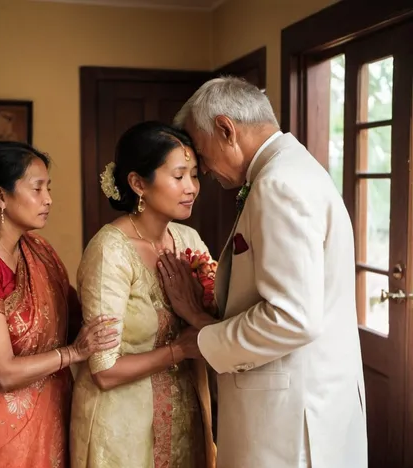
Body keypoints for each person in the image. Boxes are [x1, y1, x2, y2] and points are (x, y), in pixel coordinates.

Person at [157, 77, 367, 468]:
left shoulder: (279, 184)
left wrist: (202, 339)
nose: (201, 169)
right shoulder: (294, 167)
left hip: (291, 420)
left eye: (201, 155)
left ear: (225, 129)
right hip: (309, 399)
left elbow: (292, 318)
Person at [0, 141, 119, 468]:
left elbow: (75, 319)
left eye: (48, 188)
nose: (48, 199)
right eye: (36, 188)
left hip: (47, 416)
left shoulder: (37, 250)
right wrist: (73, 354)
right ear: (0, 196)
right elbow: (1, 372)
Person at [70, 121, 216, 468]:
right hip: (123, 427)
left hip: (187, 417)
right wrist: (179, 349)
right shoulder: (110, 252)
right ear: (138, 184)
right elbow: (104, 370)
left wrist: (194, 308)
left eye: (194, 175)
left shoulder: (188, 241)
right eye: (179, 176)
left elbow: (217, 319)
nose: (191, 187)